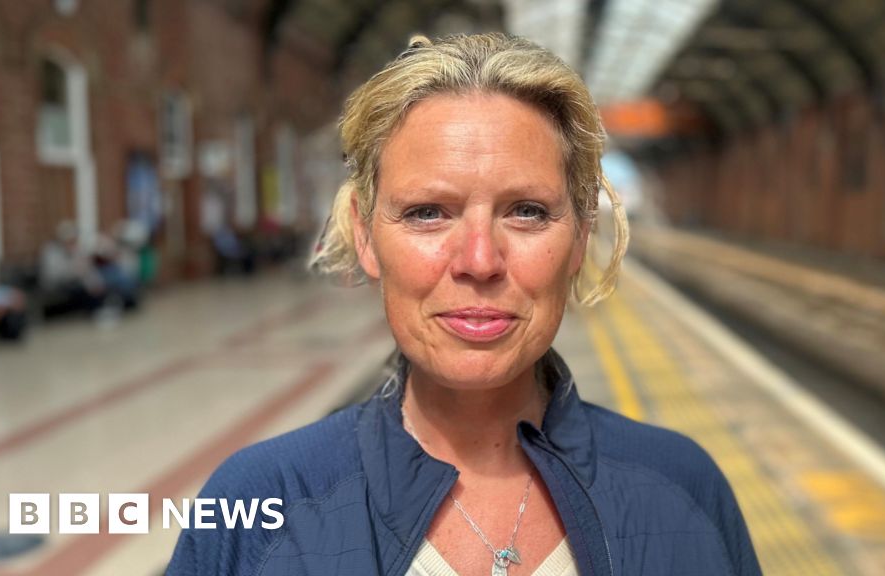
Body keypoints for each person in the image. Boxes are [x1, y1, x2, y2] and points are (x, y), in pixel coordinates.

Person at [168, 33, 761, 576]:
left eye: (527, 211)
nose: (479, 260)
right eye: (428, 212)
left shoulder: (687, 493)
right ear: (367, 235)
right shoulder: (253, 507)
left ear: (580, 237)